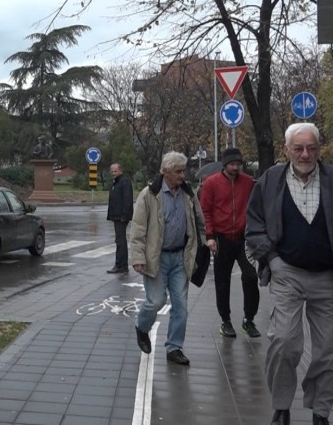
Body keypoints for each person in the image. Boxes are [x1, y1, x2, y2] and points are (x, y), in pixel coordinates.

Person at [246, 123, 333, 425]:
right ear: (287, 150)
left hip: (328, 276)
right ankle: (281, 406)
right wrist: (271, 259)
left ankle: (321, 411)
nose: (305, 153)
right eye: (298, 148)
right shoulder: (271, 180)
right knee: (284, 341)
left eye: (311, 147)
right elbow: (254, 223)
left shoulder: (331, 178)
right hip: (287, 273)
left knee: (328, 349)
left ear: (319, 149)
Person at [131, 151, 206, 367]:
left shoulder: (188, 194)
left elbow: (199, 220)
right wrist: (138, 257)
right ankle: (142, 327)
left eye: (183, 170)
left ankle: (174, 347)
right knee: (155, 301)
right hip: (157, 258)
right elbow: (137, 229)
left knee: (180, 306)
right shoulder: (149, 194)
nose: (183, 175)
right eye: (178, 171)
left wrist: (207, 239)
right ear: (165, 172)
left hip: (181, 257)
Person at [199, 147, 260, 339]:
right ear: (225, 165)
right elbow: (205, 211)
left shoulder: (248, 182)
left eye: (238, 164)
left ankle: (248, 319)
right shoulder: (211, 183)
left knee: (250, 276)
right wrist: (210, 236)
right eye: (232, 164)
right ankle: (225, 320)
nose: (236, 168)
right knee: (222, 281)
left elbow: (255, 207)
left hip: (243, 238)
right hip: (221, 238)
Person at [106, 163, 134, 274]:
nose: (113, 173)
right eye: (112, 171)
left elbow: (127, 199)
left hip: (121, 216)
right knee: (119, 241)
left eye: (115, 171)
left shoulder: (124, 182)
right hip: (116, 215)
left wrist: (124, 215)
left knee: (120, 241)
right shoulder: (116, 182)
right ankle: (122, 265)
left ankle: (120, 265)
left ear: (120, 171)